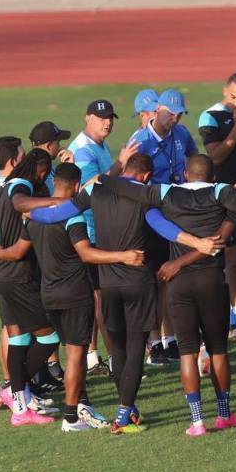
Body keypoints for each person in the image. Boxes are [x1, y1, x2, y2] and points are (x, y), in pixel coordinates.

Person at [98, 151, 236, 435]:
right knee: (218, 351)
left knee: (188, 353)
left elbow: (125, 187)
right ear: (212, 178)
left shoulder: (167, 192)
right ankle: (225, 415)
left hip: (178, 283)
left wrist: (105, 177)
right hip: (213, 281)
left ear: (186, 175)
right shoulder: (221, 192)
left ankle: (197, 421)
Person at [29, 153, 212, 433]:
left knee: (117, 350)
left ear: (125, 168)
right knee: (136, 349)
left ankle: (129, 408)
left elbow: (59, 212)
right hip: (138, 281)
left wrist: (31, 213)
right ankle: (124, 413)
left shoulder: (96, 191)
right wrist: (196, 242)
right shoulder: (144, 197)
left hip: (108, 284)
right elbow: (165, 229)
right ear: (147, 176)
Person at [2, 163, 142, 431]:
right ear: (77, 187)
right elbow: (86, 254)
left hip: (49, 294)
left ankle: (77, 405)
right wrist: (123, 256)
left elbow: (19, 250)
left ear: (56, 183)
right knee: (76, 356)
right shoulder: (73, 218)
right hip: (75, 294)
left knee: (69, 352)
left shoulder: (36, 216)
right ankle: (71, 418)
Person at [0, 145, 62, 426]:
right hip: (17, 276)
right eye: (46, 171)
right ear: (38, 170)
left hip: (0, 274)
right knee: (50, 337)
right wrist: (55, 202)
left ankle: (21, 408)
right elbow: (19, 246)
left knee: (18, 339)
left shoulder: (3, 189)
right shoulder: (25, 195)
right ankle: (17, 391)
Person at [129, 88, 199, 364]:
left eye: (179, 114)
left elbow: (194, 159)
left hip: (177, 214)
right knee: (153, 282)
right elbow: (130, 178)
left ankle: (170, 339)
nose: (176, 120)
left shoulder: (181, 135)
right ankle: (154, 342)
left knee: (172, 280)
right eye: (172, 114)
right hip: (151, 218)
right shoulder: (140, 140)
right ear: (158, 111)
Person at [69, 99, 134, 377]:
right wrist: (121, 164)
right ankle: (109, 359)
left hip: (100, 227)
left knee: (96, 295)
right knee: (98, 297)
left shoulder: (99, 144)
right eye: (100, 117)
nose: (107, 122)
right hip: (87, 229)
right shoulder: (83, 151)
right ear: (87, 118)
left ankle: (95, 357)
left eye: (110, 117)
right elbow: (90, 188)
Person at [198, 73, 236, 344]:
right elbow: (216, 156)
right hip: (225, 197)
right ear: (225, 91)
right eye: (234, 97)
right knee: (231, 260)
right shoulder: (209, 116)